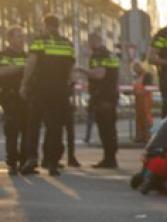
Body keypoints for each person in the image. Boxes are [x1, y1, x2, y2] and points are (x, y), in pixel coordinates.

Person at [19, 15, 76, 176]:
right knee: (55, 127)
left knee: (34, 124)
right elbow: (71, 70)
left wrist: (24, 84)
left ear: (45, 25)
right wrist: (69, 87)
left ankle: (31, 159)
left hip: (40, 89)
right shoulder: (67, 44)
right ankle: (52, 163)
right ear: (58, 26)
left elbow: (31, 64)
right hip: (60, 91)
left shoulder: (39, 41)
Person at [77, 33, 120, 168]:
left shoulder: (100, 55)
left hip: (103, 96)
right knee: (109, 128)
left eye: (89, 42)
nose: (89, 45)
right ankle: (110, 157)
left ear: (94, 41)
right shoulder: (109, 54)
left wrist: (82, 70)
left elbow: (99, 74)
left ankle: (109, 159)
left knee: (105, 128)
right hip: (110, 95)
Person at [0, 26, 27, 175]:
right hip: (10, 96)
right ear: (10, 39)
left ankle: (25, 162)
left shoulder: (26, 55)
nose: (22, 39)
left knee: (27, 130)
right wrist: (21, 67)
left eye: (23, 36)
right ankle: (12, 163)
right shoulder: (4, 55)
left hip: (25, 97)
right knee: (12, 130)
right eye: (18, 36)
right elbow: (2, 71)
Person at [132, 61, 154, 144]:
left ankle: (148, 136)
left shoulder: (147, 75)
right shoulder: (137, 76)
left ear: (139, 67)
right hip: (138, 99)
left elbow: (148, 87)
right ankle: (140, 136)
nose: (135, 70)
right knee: (139, 118)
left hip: (146, 98)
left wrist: (141, 92)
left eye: (135, 68)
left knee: (146, 117)